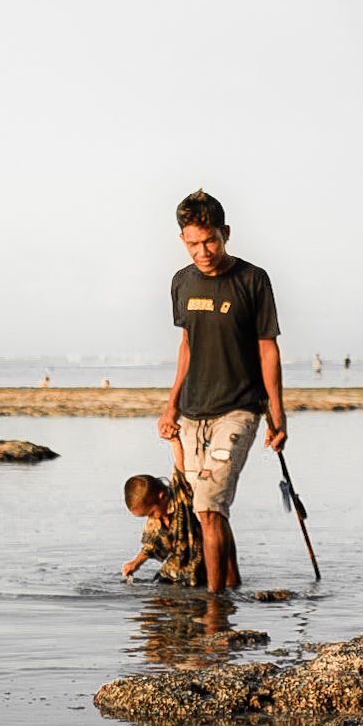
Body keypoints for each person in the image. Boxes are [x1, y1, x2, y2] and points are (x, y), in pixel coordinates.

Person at [157, 189, 286, 593]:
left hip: (239, 408)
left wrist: (277, 414)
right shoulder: (181, 282)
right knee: (209, 510)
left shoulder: (252, 280)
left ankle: (213, 610)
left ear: (225, 232)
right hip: (194, 411)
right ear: (182, 239)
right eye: (194, 242)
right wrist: (170, 405)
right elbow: (187, 346)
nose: (203, 251)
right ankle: (231, 586)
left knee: (209, 507)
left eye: (210, 240)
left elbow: (268, 347)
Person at [121, 436, 205, 585]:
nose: (151, 517)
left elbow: (180, 466)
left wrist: (175, 441)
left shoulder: (181, 498)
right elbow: (151, 545)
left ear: (162, 496)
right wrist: (135, 563)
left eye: (151, 513)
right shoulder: (155, 520)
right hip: (177, 567)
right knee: (157, 592)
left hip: (203, 563)